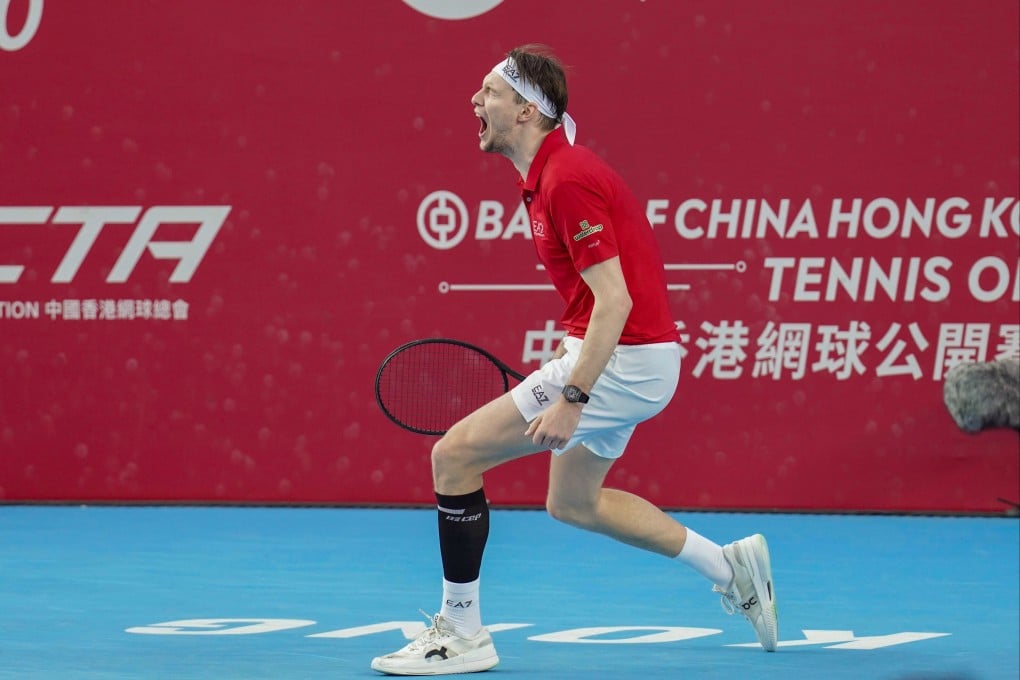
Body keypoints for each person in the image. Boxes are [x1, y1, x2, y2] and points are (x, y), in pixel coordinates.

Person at [371, 44, 777, 676]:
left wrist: (573, 395)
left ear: (529, 111)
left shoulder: (566, 179)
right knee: (574, 503)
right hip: (630, 358)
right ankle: (728, 567)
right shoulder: (546, 177)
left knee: (453, 455)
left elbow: (616, 300)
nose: (475, 103)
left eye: (490, 93)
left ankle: (462, 633)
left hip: (624, 361)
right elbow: (601, 302)